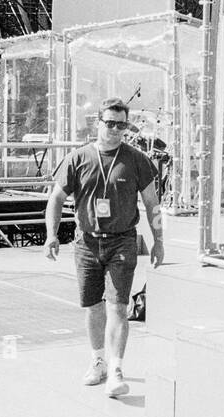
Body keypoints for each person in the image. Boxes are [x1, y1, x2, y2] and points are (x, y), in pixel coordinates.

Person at [45, 97, 164, 397]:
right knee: (92, 305)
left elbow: (152, 204)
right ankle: (98, 359)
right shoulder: (78, 158)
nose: (114, 130)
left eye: (120, 125)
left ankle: (116, 369)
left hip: (122, 240)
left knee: (119, 306)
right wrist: (51, 234)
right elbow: (56, 199)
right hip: (86, 242)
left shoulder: (137, 160)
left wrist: (159, 241)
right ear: (98, 123)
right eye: (109, 123)